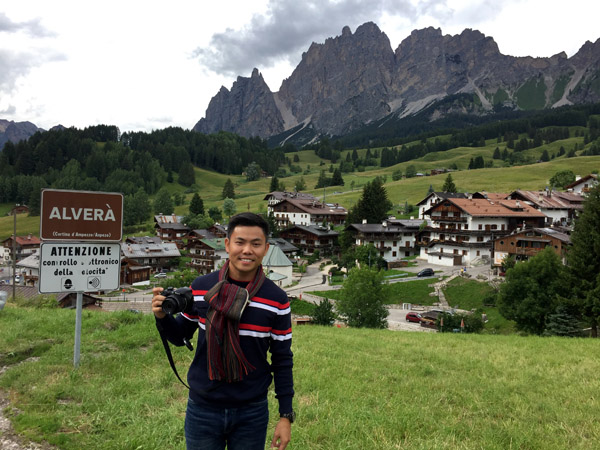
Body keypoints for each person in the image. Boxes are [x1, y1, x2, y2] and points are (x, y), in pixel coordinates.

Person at [152, 212, 294, 450]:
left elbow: (282, 360)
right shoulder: (201, 288)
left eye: (256, 244)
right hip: (203, 409)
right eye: (240, 242)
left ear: (266, 248)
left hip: (252, 412)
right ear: (228, 244)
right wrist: (162, 317)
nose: (247, 250)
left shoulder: (276, 300)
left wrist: (285, 415)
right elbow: (180, 336)